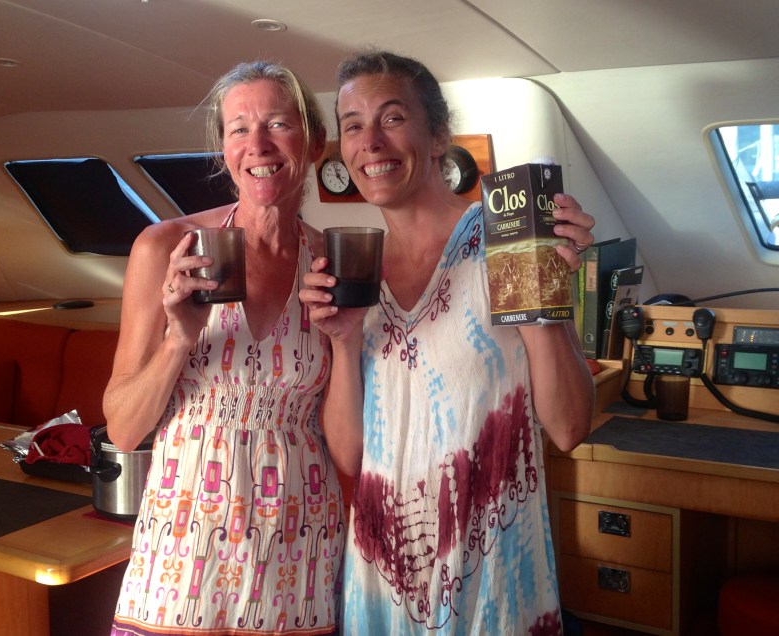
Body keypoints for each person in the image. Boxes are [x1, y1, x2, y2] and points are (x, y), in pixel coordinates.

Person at [300, 50, 596, 635]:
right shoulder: (353, 268)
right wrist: (344, 341)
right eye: (353, 125)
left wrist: (540, 291)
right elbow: (352, 457)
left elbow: (568, 427)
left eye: (392, 118)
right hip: (381, 585)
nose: (370, 142)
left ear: (438, 136)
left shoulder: (507, 239)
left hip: (493, 581)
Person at [104, 61, 344, 635]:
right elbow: (124, 431)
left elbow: (344, 435)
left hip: (299, 553)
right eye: (239, 128)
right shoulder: (165, 247)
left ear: (314, 142)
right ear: (224, 148)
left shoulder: (333, 264)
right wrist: (179, 338)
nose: (257, 144)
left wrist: (348, 337)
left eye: (278, 124)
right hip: (182, 558)